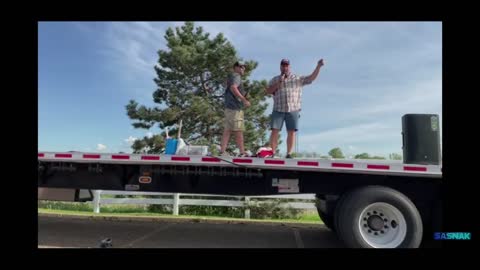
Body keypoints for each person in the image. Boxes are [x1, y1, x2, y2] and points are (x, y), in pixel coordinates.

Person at [265, 58, 325, 158]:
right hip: (278, 108)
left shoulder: (297, 78)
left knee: (291, 131)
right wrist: (279, 82)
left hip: (293, 109)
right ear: (280, 67)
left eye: (286, 65)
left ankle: (288, 153)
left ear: (289, 67)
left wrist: (318, 66)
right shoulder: (275, 79)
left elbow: (311, 78)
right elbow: (268, 91)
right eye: (283, 65)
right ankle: (273, 152)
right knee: (275, 130)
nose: (285, 67)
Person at [219, 61, 251, 157]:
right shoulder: (236, 76)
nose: (243, 69)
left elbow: (229, 87)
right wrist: (244, 100)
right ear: (235, 68)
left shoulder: (232, 76)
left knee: (227, 130)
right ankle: (242, 152)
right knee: (238, 130)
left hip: (229, 108)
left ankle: (222, 151)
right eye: (241, 67)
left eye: (244, 67)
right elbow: (233, 87)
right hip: (235, 108)